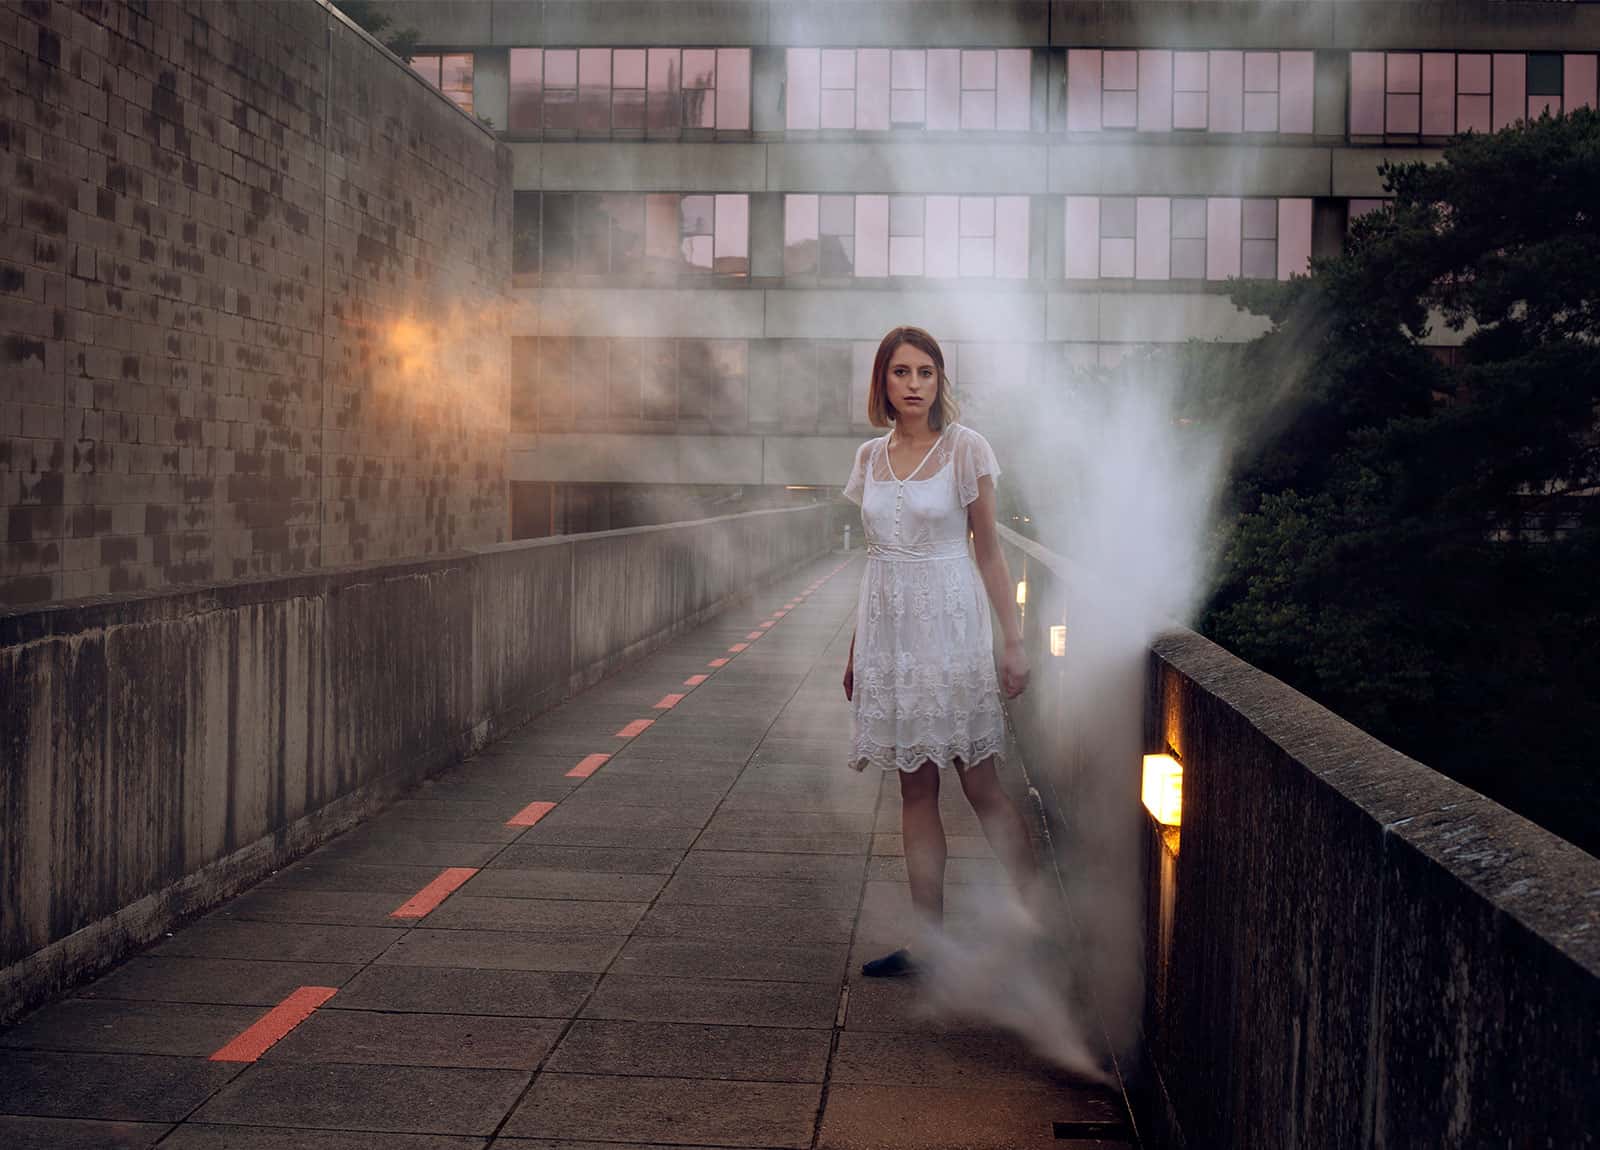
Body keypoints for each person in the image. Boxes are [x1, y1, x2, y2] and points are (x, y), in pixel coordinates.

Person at [842, 325, 1035, 977]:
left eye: (926, 372)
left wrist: (1013, 641)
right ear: (883, 382)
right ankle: (930, 943)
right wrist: (855, 650)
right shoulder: (869, 458)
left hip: (951, 632)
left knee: (979, 782)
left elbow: (991, 552)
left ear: (940, 381)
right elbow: (873, 564)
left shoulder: (965, 450)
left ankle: (1035, 926)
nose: (914, 384)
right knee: (913, 790)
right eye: (901, 372)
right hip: (891, 641)